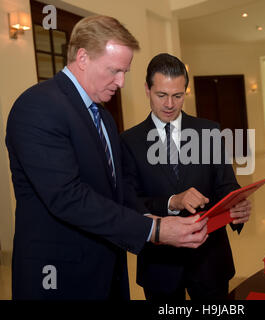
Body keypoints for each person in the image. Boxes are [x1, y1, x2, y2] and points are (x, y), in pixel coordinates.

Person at [5, 16, 208, 300]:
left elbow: (116, 191)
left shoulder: (104, 118)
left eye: (125, 71)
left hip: (106, 270)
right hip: (61, 277)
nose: (121, 82)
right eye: (114, 71)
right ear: (83, 57)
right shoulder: (38, 106)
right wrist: (154, 229)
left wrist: (158, 214)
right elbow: (68, 197)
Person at [120, 53, 252, 300]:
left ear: (185, 92)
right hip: (160, 264)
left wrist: (238, 204)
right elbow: (130, 202)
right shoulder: (129, 141)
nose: (170, 104)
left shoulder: (209, 131)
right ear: (147, 89)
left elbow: (226, 184)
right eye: (162, 95)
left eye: (178, 95)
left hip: (210, 259)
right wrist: (172, 202)